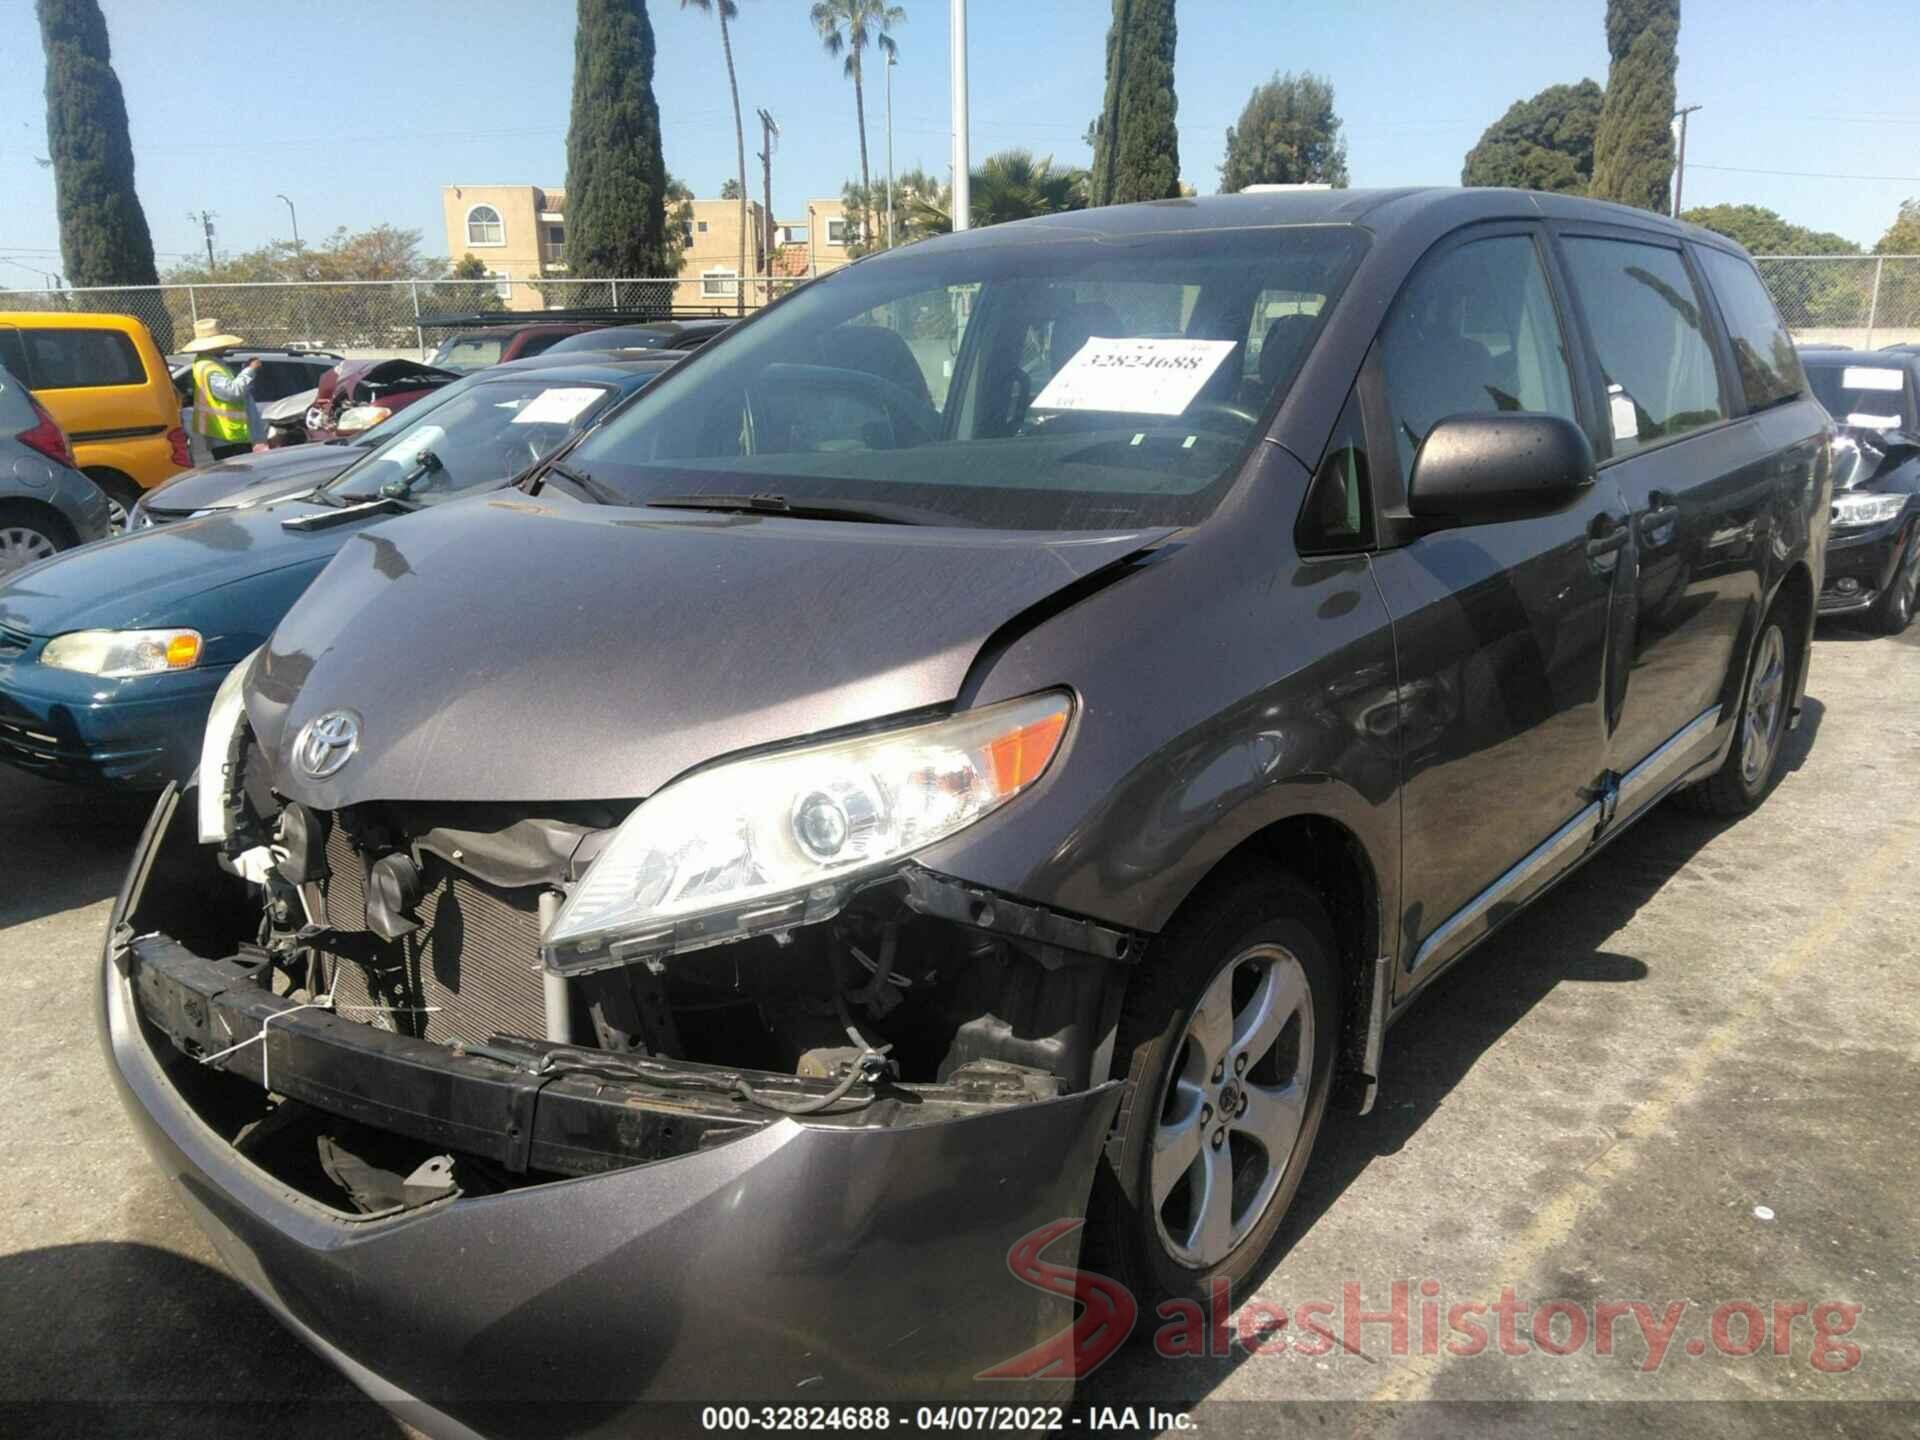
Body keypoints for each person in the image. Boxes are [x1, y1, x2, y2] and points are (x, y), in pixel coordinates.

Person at [180, 318, 264, 464]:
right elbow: (233, 392)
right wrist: (250, 370)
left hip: (227, 434)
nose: (225, 347)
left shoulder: (208, 364)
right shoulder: (210, 367)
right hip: (227, 435)